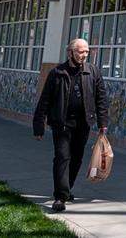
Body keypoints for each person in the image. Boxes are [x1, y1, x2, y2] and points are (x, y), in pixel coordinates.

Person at [33, 39, 108, 212]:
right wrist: (39, 125)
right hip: (62, 123)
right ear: (70, 53)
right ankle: (60, 197)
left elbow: (101, 99)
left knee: (76, 158)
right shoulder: (57, 73)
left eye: (87, 51)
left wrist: (103, 122)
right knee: (62, 157)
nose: (84, 55)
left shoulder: (93, 72)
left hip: (83, 123)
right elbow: (45, 100)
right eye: (81, 52)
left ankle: (66, 189)